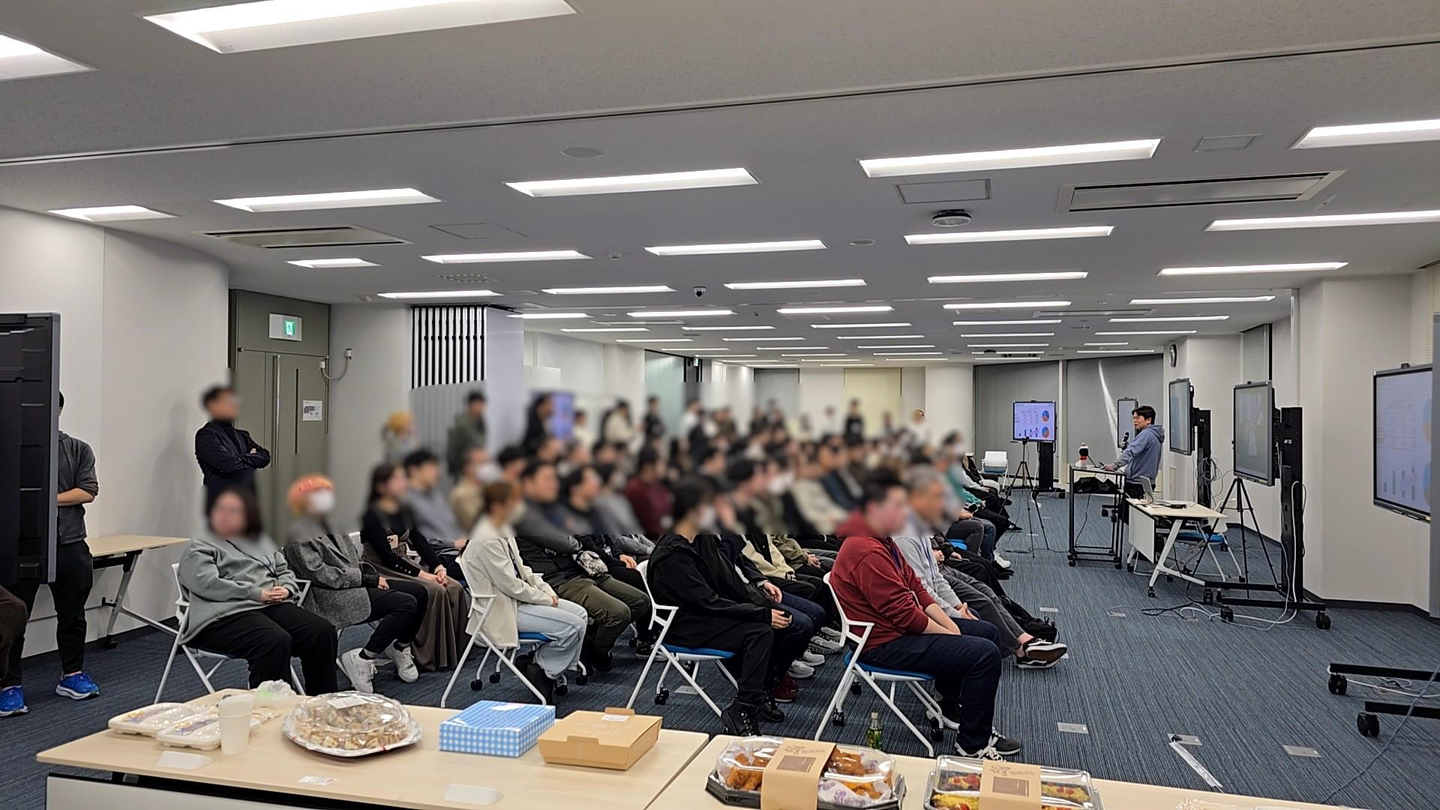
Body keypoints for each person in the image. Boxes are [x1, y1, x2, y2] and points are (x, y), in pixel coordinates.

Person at [829, 478, 1021, 760]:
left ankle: (950, 705)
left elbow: (916, 588)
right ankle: (973, 745)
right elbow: (906, 615)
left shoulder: (881, 539)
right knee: (985, 655)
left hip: (896, 630)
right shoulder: (866, 549)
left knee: (986, 632)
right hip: (882, 644)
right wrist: (948, 632)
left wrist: (951, 626)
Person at [649, 477, 792, 735]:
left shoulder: (701, 539)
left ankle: (754, 694)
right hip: (684, 625)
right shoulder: (673, 555)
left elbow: (729, 581)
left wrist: (763, 605)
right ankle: (744, 707)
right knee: (759, 632)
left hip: (704, 615)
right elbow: (708, 602)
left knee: (772, 623)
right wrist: (760, 614)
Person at [897, 470, 1066, 669]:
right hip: (928, 599)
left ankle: (1025, 638)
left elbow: (935, 577)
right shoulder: (906, 537)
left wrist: (956, 605)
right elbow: (922, 590)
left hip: (940, 577)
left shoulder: (920, 528)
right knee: (982, 605)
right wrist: (955, 612)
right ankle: (1021, 649)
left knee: (986, 590)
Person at [179, 488, 338, 693]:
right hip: (223, 613)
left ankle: (322, 703)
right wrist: (255, 593)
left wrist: (287, 589)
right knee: (273, 640)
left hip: (268, 604)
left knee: (321, 631)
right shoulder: (201, 544)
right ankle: (272, 708)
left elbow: (283, 570)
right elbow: (207, 584)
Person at [1, 392, 101, 716]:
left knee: (73, 614)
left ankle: (72, 675)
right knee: (14, 617)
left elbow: (87, 490)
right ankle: (8, 685)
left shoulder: (77, 448)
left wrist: (45, 499)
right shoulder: (10, 448)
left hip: (69, 543)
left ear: (57, 411)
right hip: (21, 545)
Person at [284, 476, 424, 694]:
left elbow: (353, 560)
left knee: (419, 592)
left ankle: (400, 647)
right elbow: (321, 575)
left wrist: (369, 577)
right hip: (327, 596)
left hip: (354, 584)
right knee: (405, 603)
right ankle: (364, 657)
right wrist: (366, 579)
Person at [514, 461, 650, 673]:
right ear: (528, 483)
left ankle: (589, 643)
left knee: (641, 601)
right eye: (547, 479)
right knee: (619, 613)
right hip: (558, 580)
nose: (553, 484)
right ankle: (598, 653)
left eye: (554, 479)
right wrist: (573, 537)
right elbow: (567, 542)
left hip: (583, 569)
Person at [460, 481, 588, 703]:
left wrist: (547, 592)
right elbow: (511, 585)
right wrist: (545, 600)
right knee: (573, 626)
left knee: (581, 614)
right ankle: (544, 670)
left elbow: (523, 570)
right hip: (501, 608)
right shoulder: (486, 538)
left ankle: (539, 665)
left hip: (517, 600)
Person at [361, 463, 467, 671]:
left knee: (454, 587)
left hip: (405, 562)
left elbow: (421, 543)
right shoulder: (371, 515)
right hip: (381, 567)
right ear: (382, 486)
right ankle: (421, 652)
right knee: (434, 589)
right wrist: (423, 575)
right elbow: (387, 557)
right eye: (398, 479)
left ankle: (452, 652)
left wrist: (437, 567)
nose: (404, 483)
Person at [194, 385, 270, 511]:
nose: (234, 405)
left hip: (246, 497)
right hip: (221, 501)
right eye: (228, 401)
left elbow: (265, 458)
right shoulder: (206, 435)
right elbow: (230, 465)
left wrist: (239, 458)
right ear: (213, 405)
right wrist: (251, 457)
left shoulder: (242, 435)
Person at [403, 449, 466, 573]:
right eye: (431, 467)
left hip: (457, 551)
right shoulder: (406, 501)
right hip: (438, 556)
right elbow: (417, 539)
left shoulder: (436, 496)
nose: (437, 472)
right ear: (414, 470)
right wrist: (453, 543)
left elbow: (452, 524)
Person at [625, 448, 673, 537]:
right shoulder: (636, 490)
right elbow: (649, 525)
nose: (664, 467)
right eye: (660, 464)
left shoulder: (658, 486)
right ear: (648, 467)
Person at [450, 445, 497, 533]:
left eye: (488, 462)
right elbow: (478, 524)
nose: (487, 467)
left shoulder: (485, 486)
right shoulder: (462, 494)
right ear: (467, 468)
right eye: (482, 463)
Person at [445, 391, 488, 478]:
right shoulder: (461, 425)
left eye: (482, 405)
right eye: (478, 404)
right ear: (470, 405)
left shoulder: (481, 423)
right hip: (463, 469)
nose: (481, 408)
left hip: (477, 469)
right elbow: (452, 450)